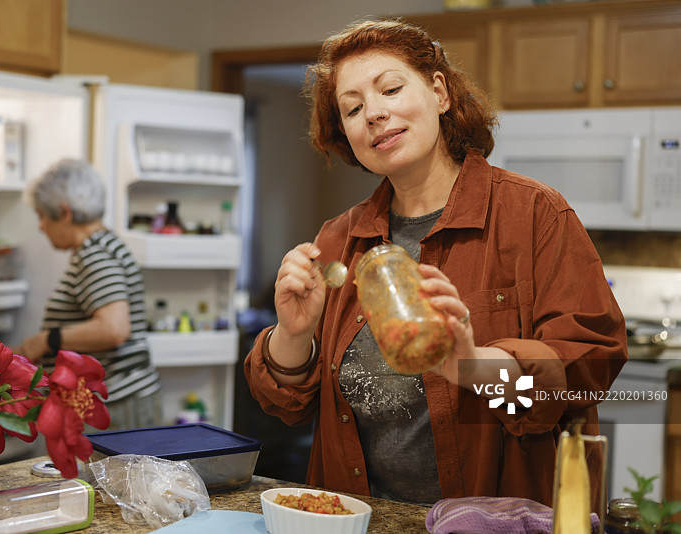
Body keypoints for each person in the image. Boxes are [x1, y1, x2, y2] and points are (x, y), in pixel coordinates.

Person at [243, 19, 627, 508]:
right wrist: (293, 335)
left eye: (391, 89)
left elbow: (588, 368)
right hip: (361, 517)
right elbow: (285, 405)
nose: (375, 114)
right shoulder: (338, 239)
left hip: (498, 518)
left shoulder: (533, 214)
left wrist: (472, 365)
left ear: (440, 92)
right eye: (354, 108)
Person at [19, 158, 161, 431]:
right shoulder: (105, 246)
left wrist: (46, 340)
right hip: (124, 401)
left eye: (42, 216)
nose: (40, 227)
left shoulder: (95, 255)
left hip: (117, 405)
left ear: (65, 212)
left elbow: (114, 329)